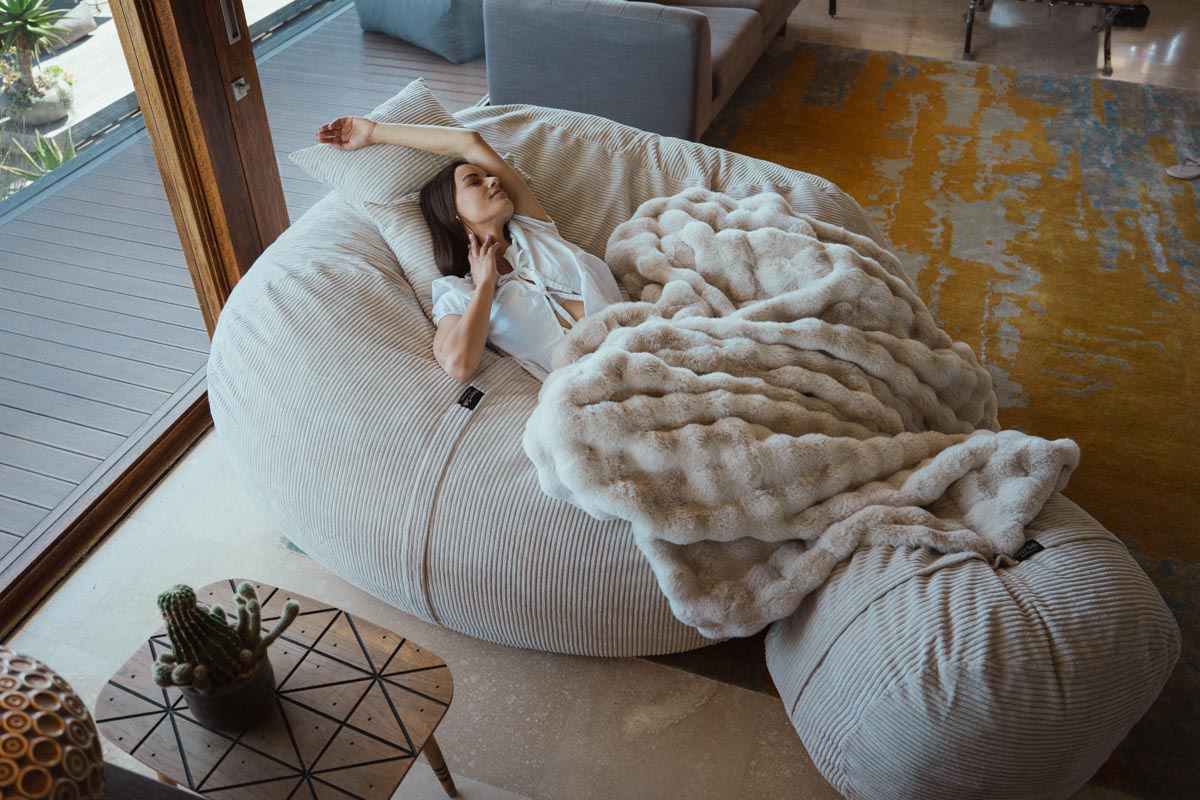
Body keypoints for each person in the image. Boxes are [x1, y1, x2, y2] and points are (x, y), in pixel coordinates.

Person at [315, 116, 625, 383]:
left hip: (642, 340)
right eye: (474, 182)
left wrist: (375, 132)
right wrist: (485, 287)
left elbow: (470, 143)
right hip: (598, 385)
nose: (492, 180)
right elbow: (459, 365)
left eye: (487, 175)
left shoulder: (532, 229)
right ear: (452, 212)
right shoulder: (457, 293)